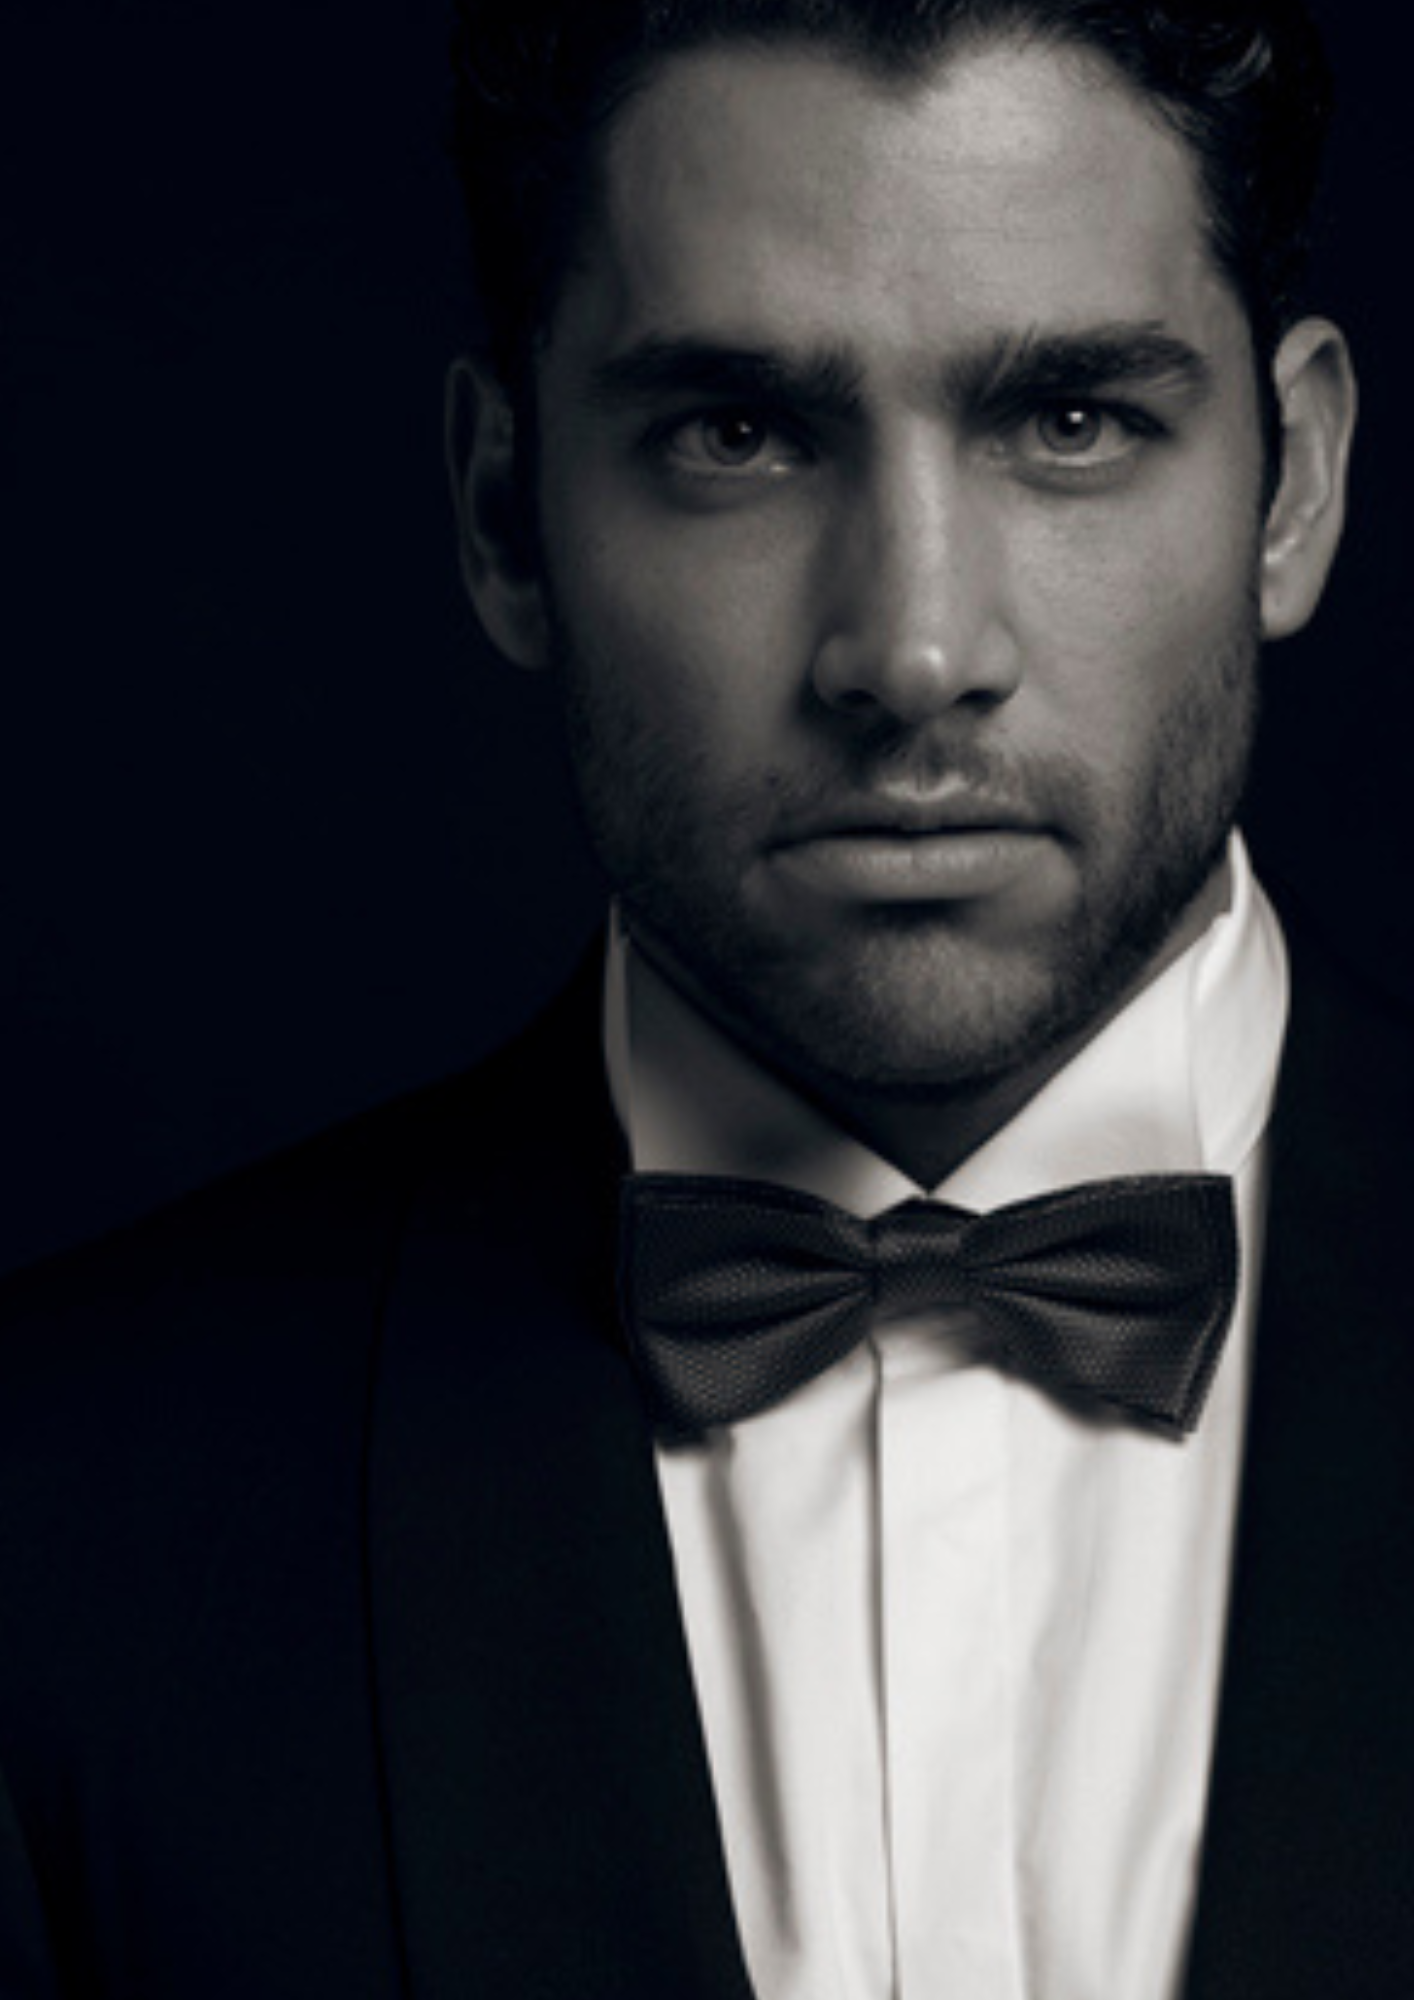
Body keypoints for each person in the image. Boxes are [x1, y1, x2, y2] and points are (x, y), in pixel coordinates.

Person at [0, 0, 1406, 1994]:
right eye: (736, 434)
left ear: (1291, 485)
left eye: (1069, 421)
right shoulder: (56, 1523)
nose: (912, 650)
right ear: (505, 516)